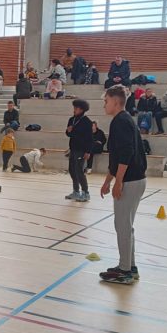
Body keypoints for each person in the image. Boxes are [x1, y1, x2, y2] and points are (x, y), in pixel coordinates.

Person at [99, 85, 147, 285]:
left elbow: (126, 153)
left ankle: (125, 270)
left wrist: (118, 181)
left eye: (106, 101)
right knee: (126, 226)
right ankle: (129, 267)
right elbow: (116, 156)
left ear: (115, 101)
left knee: (122, 226)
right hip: (134, 179)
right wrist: (107, 181)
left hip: (130, 180)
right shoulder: (122, 120)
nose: (104, 105)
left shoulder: (121, 121)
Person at [66, 99, 93, 202]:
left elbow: (90, 138)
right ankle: (76, 191)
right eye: (74, 107)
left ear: (82, 109)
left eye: (76, 108)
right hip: (73, 148)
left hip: (81, 150)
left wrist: (88, 151)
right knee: (72, 170)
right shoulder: (71, 119)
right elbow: (69, 134)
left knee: (79, 171)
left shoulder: (87, 122)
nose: (74, 109)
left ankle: (85, 192)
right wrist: (68, 131)